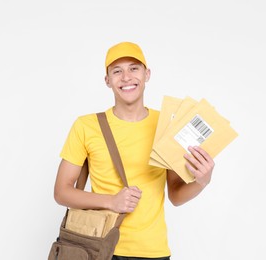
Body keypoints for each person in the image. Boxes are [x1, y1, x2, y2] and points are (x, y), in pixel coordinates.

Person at [53, 41, 215, 260]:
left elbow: (176, 195)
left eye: (134, 68)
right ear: (107, 80)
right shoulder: (86, 126)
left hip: (153, 251)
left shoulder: (166, 124)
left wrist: (202, 181)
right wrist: (111, 201)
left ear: (147, 74)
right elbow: (61, 191)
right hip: (99, 248)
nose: (126, 77)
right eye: (117, 71)